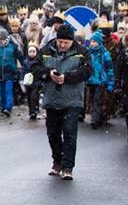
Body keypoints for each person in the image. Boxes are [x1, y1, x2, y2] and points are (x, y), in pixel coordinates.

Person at [32, 23, 92, 180]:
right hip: (52, 99)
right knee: (53, 134)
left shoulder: (82, 52)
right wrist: (48, 73)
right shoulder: (46, 51)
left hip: (72, 100)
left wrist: (67, 78)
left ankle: (67, 167)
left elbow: (87, 72)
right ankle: (57, 162)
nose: (62, 45)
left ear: (72, 41)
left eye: (66, 42)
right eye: (60, 42)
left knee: (70, 133)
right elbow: (35, 68)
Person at [85, 31, 114, 129]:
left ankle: (95, 120)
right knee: (92, 100)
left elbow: (110, 69)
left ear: (99, 42)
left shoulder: (105, 54)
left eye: (94, 41)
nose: (92, 43)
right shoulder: (88, 53)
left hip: (101, 81)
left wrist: (110, 83)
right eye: (91, 41)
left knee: (97, 100)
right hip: (90, 81)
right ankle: (97, 116)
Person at [0, 28, 23, 118]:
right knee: (2, 91)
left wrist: (25, 67)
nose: (0, 41)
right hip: (0, 73)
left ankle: (8, 108)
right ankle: (3, 107)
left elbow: (20, 57)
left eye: (1, 39)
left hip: (10, 73)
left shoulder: (12, 47)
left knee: (8, 90)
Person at [20, 44, 44, 120]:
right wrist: (21, 80)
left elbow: (42, 71)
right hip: (28, 83)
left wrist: (42, 81)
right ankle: (31, 111)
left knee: (34, 97)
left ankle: (34, 111)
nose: (32, 53)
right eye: (30, 51)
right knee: (29, 97)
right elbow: (23, 71)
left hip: (37, 82)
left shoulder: (39, 61)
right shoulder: (25, 62)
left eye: (33, 51)